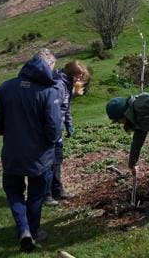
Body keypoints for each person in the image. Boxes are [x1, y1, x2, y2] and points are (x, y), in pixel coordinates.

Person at [0, 48, 61, 252]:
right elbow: (54, 128)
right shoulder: (49, 92)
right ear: (47, 67)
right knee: (36, 195)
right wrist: (50, 142)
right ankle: (33, 232)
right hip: (40, 155)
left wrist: (11, 131)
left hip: (13, 152)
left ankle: (24, 230)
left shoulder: (6, 87)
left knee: (14, 192)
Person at [44, 60, 90, 206]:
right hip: (50, 129)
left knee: (57, 160)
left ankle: (57, 190)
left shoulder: (68, 85)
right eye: (77, 76)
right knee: (48, 163)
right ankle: (46, 195)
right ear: (70, 73)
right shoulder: (59, 85)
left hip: (58, 129)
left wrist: (68, 124)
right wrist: (54, 129)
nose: (79, 79)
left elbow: (66, 107)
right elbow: (53, 110)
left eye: (81, 76)